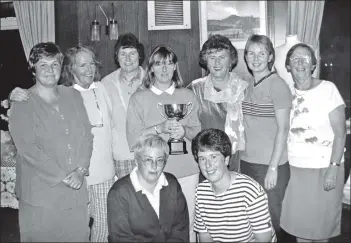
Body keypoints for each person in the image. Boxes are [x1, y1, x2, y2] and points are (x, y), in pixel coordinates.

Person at [9, 45, 116, 242]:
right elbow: (28, 150)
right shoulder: (22, 102)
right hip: (40, 196)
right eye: (43, 65)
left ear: (61, 67)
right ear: (33, 68)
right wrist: (63, 176)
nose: (50, 70)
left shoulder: (73, 95)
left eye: (55, 64)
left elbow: (87, 136)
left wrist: (81, 170)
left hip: (75, 193)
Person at [126, 45, 201, 242]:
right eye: (159, 64)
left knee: (189, 224)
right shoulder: (138, 98)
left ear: (175, 67)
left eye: (169, 63)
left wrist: (185, 131)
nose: (164, 69)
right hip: (153, 173)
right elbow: (133, 141)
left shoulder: (188, 95)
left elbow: (198, 135)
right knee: (156, 227)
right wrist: (159, 128)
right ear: (150, 68)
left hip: (187, 171)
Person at [280, 43, 346, 242]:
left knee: (321, 230)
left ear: (313, 65)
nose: (300, 62)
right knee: (301, 229)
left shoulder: (328, 89)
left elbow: (341, 133)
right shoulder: (285, 93)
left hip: (325, 168)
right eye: (295, 58)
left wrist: (333, 168)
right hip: (295, 170)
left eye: (306, 58)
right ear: (288, 66)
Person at [241, 34, 292, 240]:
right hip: (246, 163)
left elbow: (283, 129)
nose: (256, 58)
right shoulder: (246, 85)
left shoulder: (278, 86)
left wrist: (272, 168)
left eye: (261, 53)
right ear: (245, 57)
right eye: (251, 53)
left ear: (271, 56)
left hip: (270, 165)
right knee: (251, 221)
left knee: (271, 220)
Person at [191, 128, 276, 242]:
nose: (208, 165)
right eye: (202, 159)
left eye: (213, 157)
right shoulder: (201, 192)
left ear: (226, 160)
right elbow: (205, 237)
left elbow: (264, 240)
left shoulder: (250, 191)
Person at [107, 133, 189, 242]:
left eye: (159, 160)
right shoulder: (119, 193)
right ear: (136, 161)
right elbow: (121, 238)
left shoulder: (172, 184)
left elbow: (180, 230)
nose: (154, 166)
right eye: (148, 160)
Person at [187, 34, 248, 176]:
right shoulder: (195, 89)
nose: (217, 63)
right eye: (212, 58)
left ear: (231, 61)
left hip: (240, 158)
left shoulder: (245, 88)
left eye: (222, 57)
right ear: (205, 62)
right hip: (207, 161)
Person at [101, 33, 146, 179]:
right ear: (116, 57)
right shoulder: (106, 84)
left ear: (139, 55)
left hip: (150, 152)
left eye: (132, 53)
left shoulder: (151, 80)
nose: (128, 59)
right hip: (121, 155)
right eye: (123, 54)